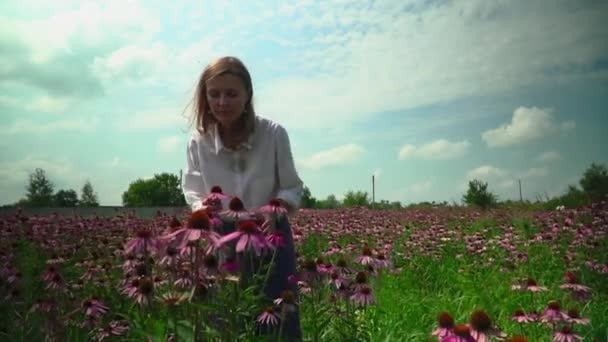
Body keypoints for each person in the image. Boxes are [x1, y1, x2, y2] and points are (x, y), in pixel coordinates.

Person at [182, 56, 303, 340]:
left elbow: (291, 187)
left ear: (248, 95)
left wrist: (276, 210)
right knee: (224, 318)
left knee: (279, 317)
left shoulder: (273, 134)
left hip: (269, 230)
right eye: (214, 94)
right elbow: (193, 190)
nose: (222, 101)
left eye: (231, 93)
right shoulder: (197, 142)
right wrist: (204, 207)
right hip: (220, 235)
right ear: (205, 97)